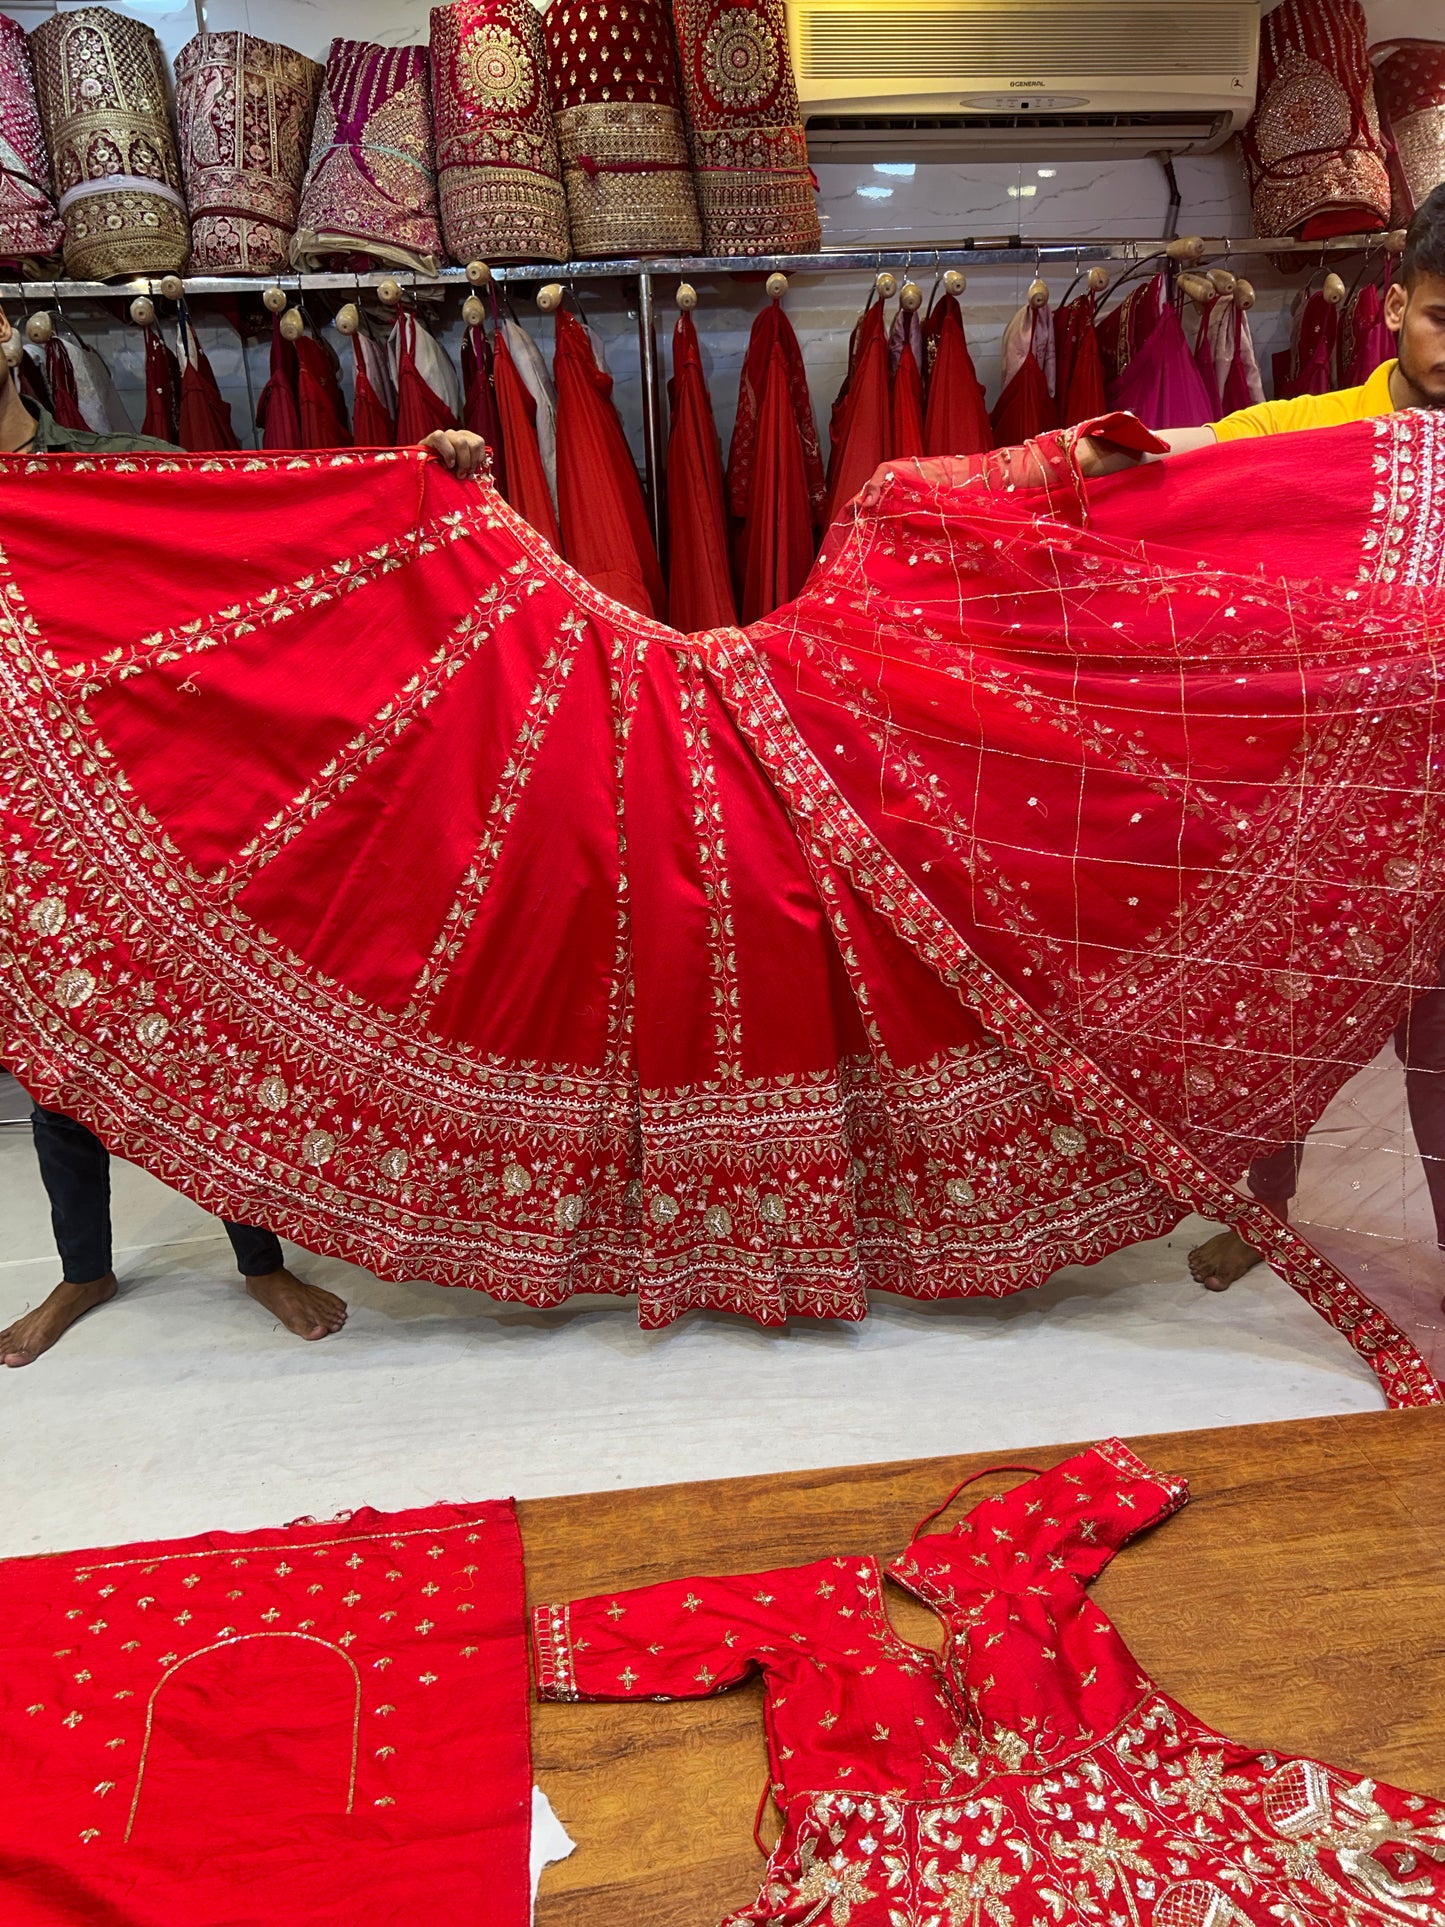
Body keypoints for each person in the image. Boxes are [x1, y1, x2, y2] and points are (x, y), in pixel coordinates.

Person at [0, 299, 489, 1366]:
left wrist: (415, 471)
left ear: (8, 340)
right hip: (19, 829)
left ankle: (259, 1260)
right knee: (52, 1068)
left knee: (214, 1039)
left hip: (156, 812)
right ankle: (81, 1273)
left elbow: (263, 528)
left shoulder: (114, 471)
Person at [1075, 182, 1445, 1295]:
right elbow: (1191, 461)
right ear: (1391, 306)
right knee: (1274, 1021)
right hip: (1324, 815)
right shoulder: (1317, 434)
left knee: (1439, 1063)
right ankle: (1264, 1215)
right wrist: (1064, 466)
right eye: (1443, 317)